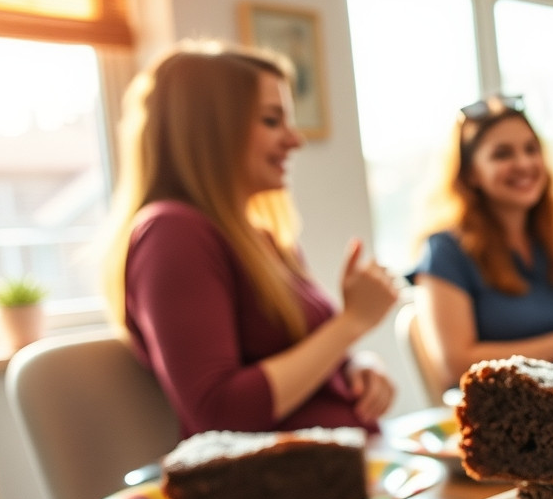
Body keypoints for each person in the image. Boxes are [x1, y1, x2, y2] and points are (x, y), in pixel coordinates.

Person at [101, 42, 398, 438]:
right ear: (209, 129)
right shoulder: (172, 233)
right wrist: (351, 323)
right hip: (277, 490)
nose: (296, 139)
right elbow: (219, 411)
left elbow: (294, 359)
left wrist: (352, 366)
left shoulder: (263, 239)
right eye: (273, 121)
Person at [409, 96, 553, 394]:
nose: (523, 164)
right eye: (502, 154)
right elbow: (454, 366)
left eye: (531, 149)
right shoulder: (445, 251)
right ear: (470, 174)